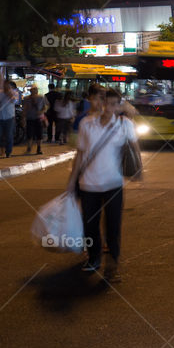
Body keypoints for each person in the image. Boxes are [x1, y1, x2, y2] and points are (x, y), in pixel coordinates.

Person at [66, 87, 140, 281]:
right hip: (88, 184)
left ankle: (113, 265)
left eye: (115, 104)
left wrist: (136, 169)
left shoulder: (125, 125)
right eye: (106, 102)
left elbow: (134, 148)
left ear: (118, 106)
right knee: (89, 225)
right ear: (100, 102)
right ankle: (94, 258)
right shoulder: (87, 124)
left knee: (113, 227)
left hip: (113, 184)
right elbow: (80, 154)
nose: (109, 107)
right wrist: (72, 181)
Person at [0, 80, 19, 159]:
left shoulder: (14, 92)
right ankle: (1, 150)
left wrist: (8, 92)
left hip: (10, 117)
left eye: (7, 85)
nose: (5, 86)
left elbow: (15, 101)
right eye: (4, 85)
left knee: (9, 135)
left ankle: (8, 152)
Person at [22, 85, 48, 155]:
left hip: (38, 118)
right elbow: (24, 109)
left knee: (39, 134)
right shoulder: (26, 98)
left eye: (35, 90)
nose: (33, 91)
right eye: (32, 90)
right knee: (29, 134)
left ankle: (39, 148)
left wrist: (41, 112)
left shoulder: (41, 97)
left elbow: (45, 107)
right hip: (29, 118)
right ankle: (29, 147)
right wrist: (23, 118)